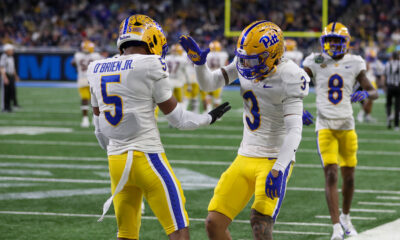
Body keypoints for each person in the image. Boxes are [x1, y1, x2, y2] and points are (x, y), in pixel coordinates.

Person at [87, 14, 231, 240]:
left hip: (116, 162)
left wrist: (118, 149)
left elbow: (99, 130)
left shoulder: (95, 67)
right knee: (178, 229)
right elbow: (179, 120)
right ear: (151, 38)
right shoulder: (151, 64)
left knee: (126, 233)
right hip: (147, 158)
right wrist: (209, 118)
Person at [180, 20, 310, 240]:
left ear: (273, 54)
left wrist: (279, 168)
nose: (247, 66)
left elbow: (294, 132)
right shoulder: (245, 60)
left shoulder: (290, 75)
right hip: (245, 154)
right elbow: (209, 84)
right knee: (214, 223)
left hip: (272, 158)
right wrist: (199, 64)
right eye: (245, 59)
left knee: (259, 223)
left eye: (254, 60)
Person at [302, 22, 378, 240]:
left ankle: (345, 217)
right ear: (323, 42)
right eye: (330, 40)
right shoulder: (314, 61)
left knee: (350, 178)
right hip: (324, 125)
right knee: (331, 173)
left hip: (347, 125)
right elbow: (292, 85)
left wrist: (366, 94)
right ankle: (336, 226)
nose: (334, 44)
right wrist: (297, 108)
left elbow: (374, 92)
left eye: (338, 40)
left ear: (347, 42)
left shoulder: (355, 62)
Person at [71, 40, 103, 127]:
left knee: (84, 99)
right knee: (95, 100)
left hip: (82, 80)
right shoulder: (96, 56)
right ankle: (94, 118)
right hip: (93, 80)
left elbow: (72, 62)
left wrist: (77, 66)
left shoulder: (78, 56)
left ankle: (85, 119)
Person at [355, 49, 384, 123]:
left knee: (370, 100)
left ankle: (368, 116)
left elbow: (380, 74)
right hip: (366, 82)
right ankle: (361, 114)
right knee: (368, 100)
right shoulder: (365, 62)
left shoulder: (377, 63)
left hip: (372, 82)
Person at [200, 40, 229, 112]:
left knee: (208, 95)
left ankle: (208, 111)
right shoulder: (224, 54)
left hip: (208, 76)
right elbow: (226, 66)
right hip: (218, 77)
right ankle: (217, 114)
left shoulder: (206, 54)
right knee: (217, 97)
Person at [0, 43, 20, 112]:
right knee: (5, 93)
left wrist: (16, 76)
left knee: (10, 92)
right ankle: (4, 108)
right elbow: (1, 68)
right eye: (11, 50)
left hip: (11, 76)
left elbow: (13, 68)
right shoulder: (4, 57)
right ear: (7, 50)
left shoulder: (11, 57)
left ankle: (8, 107)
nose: (12, 51)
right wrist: (5, 77)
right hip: (6, 75)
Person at [384, 48, 400, 130]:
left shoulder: (388, 64)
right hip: (397, 86)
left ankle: (388, 120)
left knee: (388, 104)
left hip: (389, 86)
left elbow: (385, 76)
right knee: (397, 106)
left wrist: (384, 86)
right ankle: (396, 125)